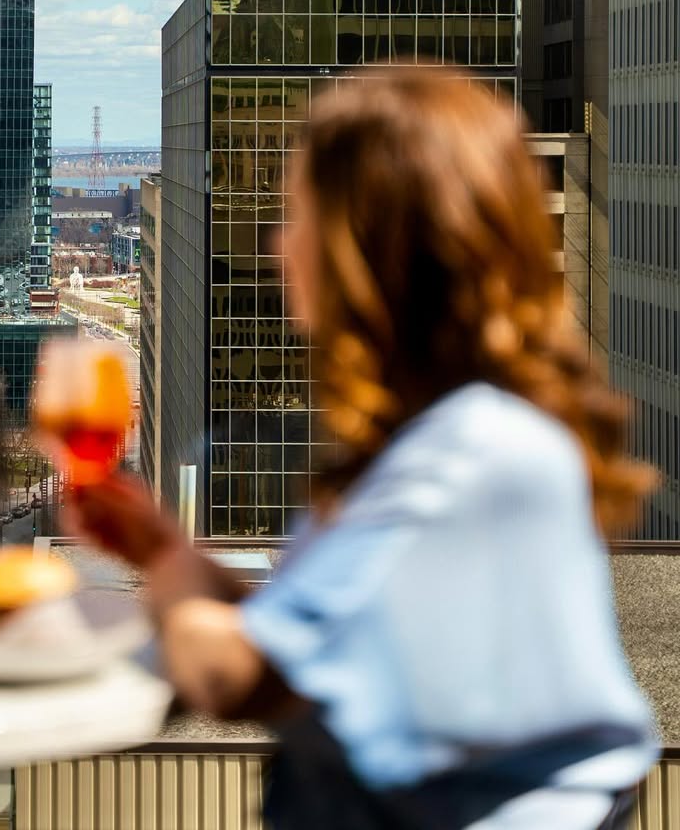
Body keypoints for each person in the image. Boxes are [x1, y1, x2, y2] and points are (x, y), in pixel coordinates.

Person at [70, 68, 658, 829]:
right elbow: (313, 643)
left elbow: (243, 672)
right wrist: (159, 550)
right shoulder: (459, 439)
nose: (279, 245)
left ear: (369, 247)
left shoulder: (474, 454)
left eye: (297, 215)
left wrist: (159, 588)